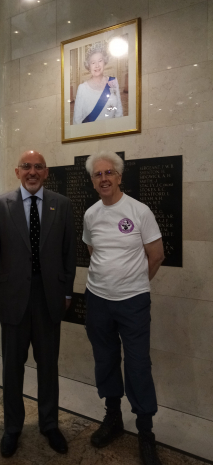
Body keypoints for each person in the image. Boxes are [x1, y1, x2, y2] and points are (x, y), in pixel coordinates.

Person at [0, 150, 76, 458]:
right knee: (12, 368)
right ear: (17, 171)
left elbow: (68, 253)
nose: (32, 172)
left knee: (48, 366)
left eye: (38, 167)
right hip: (11, 300)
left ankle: (49, 425)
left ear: (46, 172)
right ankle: (12, 428)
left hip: (49, 298)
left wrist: (68, 293)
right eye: (26, 167)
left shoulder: (61, 205)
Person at [82, 151, 165, 465]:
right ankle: (113, 419)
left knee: (138, 365)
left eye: (108, 173)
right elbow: (93, 251)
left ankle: (146, 433)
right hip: (98, 301)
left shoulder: (139, 211)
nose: (103, 179)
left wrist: (132, 283)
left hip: (133, 303)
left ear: (118, 176)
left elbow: (155, 255)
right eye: (97, 175)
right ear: (93, 181)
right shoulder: (91, 215)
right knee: (104, 361)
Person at [73, 42, 123, 124]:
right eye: (93, 63)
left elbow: (119, 112)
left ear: (104, 61)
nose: (97, 66)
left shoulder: (113, 82)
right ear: (88, 66)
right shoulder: (82, 88)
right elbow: (77, 120)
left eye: (100, 61)